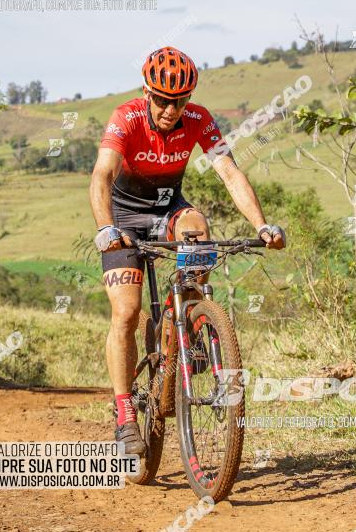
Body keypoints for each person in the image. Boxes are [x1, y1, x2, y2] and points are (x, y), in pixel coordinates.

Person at [89, 46, 285, 454]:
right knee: (125, 312)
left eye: (179, 101)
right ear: (147, 92)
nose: (170, 109)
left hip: (167, 209)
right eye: (162, 100)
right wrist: (106, 228)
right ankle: (124, 411)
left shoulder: (198, 120)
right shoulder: (125, 119)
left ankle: (187, 323)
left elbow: (229, 172)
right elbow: (102, 175)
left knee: (198, 230)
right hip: (124, 218)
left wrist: (261, 225)